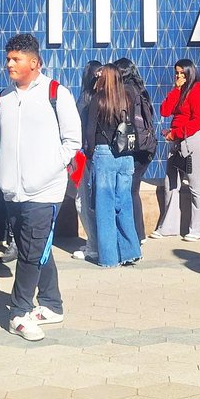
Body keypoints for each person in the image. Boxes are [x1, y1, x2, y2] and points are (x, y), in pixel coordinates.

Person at [0, 34, 83, 342]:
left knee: (31, 252)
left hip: (44, 191)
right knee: (32, 246)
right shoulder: (4, 97)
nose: (9, 64)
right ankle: (51, 304)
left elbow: (73, 140)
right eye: (8, 58)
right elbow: (1, 140)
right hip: (11, 190)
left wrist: (48, 169)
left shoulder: (56, 93)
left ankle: (18, 313)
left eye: (15, 59)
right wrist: (0, 170)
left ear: (33, 62)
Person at [83, 63, 144, 267]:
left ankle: (109, 258)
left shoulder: (98, 99)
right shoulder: (127, 98)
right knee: (124, 203)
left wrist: (90, 153)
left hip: (104, 154)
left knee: (105, 207)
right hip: (126, 155)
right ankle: (131, 252)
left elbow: (90, 131)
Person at [152, 59, 200, 241]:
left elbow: (199, 120)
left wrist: (176, 133)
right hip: (177, 142)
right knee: (171, 183)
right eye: (177, 73)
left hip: (194, 141)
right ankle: (168, 227)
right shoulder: (179, 91)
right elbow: (165, 111)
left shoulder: (197, 92)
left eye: (182, 73)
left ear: (190, 73)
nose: (179, 76)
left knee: (195, 185)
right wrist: (176, 89)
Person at [113, 57, 154, 241]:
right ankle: (138, 233)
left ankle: (136, 233)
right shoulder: (141, 89)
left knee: (130, 191)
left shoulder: (126, 91)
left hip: (135, 147)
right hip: (146, 146)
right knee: (133, 190)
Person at [73, 60, 103, 261]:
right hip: (99, 154)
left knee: (82, 200)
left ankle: (93, 245)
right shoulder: (107, 98)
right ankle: (96, 243)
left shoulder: (85, 98)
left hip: (82, 155)